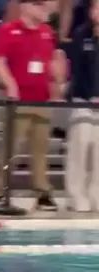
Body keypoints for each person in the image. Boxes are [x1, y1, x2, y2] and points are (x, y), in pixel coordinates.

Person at [0, 0, 62, 214]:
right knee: (10, 149)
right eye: (40, 6)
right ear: (26, 6)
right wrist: (10, 85)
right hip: (19, 101)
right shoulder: (7, 31)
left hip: (42, 100)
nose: (46, 10)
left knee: (40, 150)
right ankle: (1, 192)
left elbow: (50, 61)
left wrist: (56, 84)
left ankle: (43, 193)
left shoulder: (47, 32)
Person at [65, 0, 99, 210]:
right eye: (94, 7)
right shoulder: (81, 34)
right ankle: (75, 195)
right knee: (80, 147)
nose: (96, 12)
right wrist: (91, 95)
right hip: (82, 100)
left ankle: (96, 194)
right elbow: (77, 71)